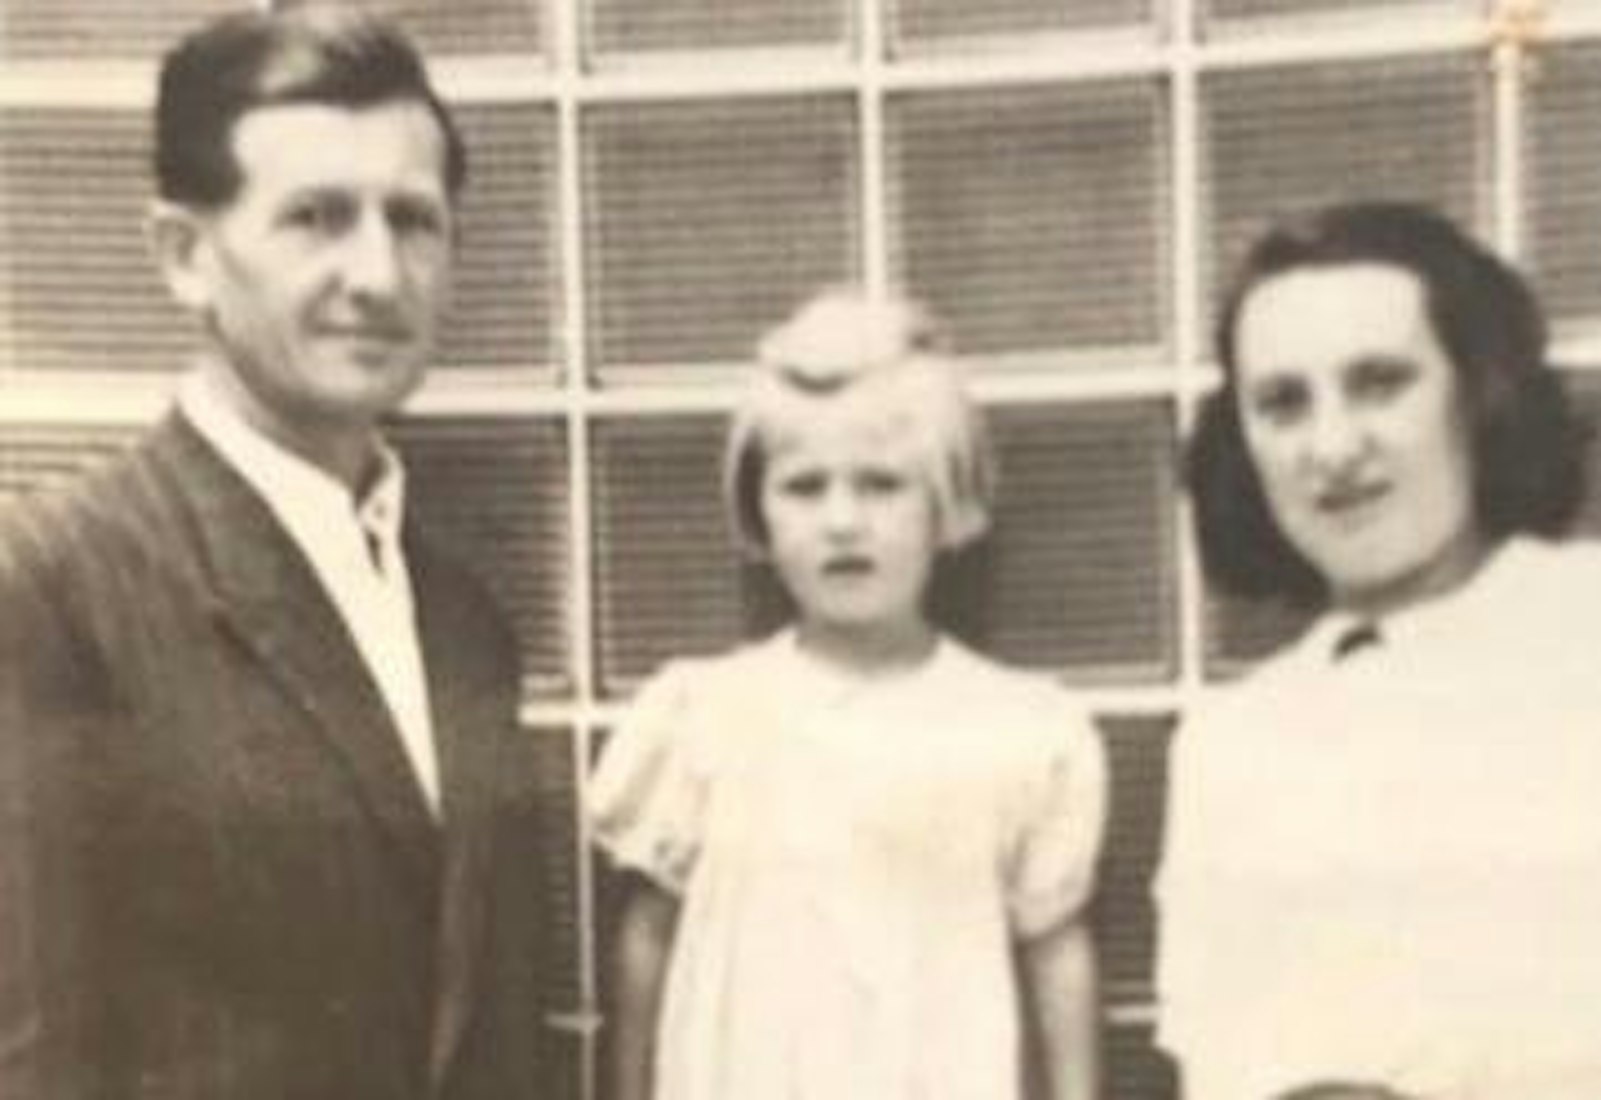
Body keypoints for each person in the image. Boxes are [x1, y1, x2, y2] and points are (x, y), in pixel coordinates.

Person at [0, 8, 550, 1098]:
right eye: (316, 217)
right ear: (185, 256)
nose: (378, 273)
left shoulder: (466, 620)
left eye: (413, 219)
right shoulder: (53, 584)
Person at [587, 288, 1108, 1100]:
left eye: (880, 484)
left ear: (946, 503)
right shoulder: (703, 718)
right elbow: (646, 939)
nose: (841, 521)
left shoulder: (1017, 730)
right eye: (803, 487)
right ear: (757, 510)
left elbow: (1055, 950)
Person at [1157, 200, 1601, 1100]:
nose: (1332, 446)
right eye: (1282, 404)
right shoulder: (1230, 744)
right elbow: (1217, 1067)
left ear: (1479, 395)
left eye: (1379, 382)